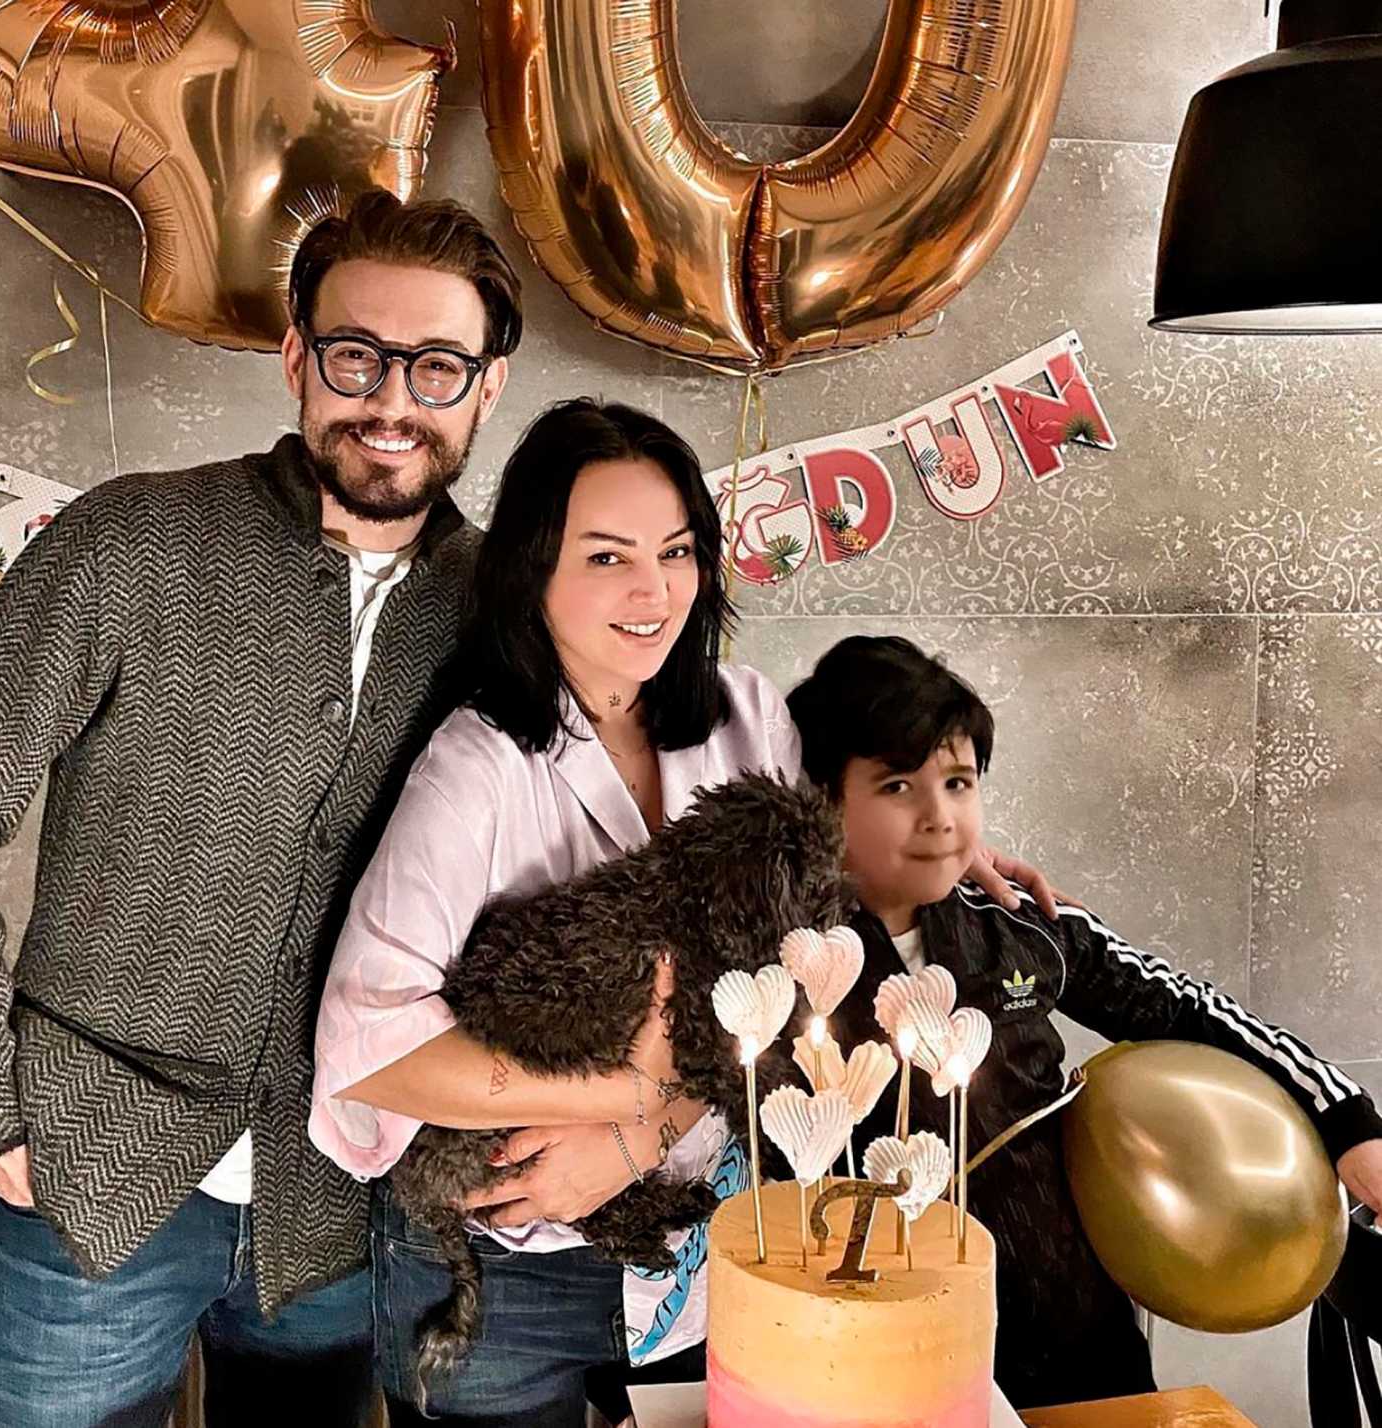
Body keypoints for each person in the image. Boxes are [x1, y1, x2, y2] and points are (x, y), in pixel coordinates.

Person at [0, 189, 519, 1425]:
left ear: (486, 387)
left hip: (346, 1202)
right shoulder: (130, 541)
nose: (392, 401)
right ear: (295, 357)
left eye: (437, 366)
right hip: (83, 1183)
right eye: (356, 356)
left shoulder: (504, 611)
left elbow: (593, 840)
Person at [308, 400, 1057, 1427]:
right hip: (503, 1270)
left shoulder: (745, 715)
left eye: (676, 551)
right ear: (533, 570)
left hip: (707, 1247)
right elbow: (368, 1049)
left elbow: (799, 944)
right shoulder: (476, 767)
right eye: (606, 557)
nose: (653, 591)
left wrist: (639, 1124)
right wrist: (614, 1094)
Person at [789, 634, 1382, 1411]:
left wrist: (1346, 1120)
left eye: (959, 782)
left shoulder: (1024, 925)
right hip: (869, 1361)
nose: (940, 818)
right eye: (898, 785)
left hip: (1072, 1339)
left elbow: (1190, 1008)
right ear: (822, 799)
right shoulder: (784, 960)